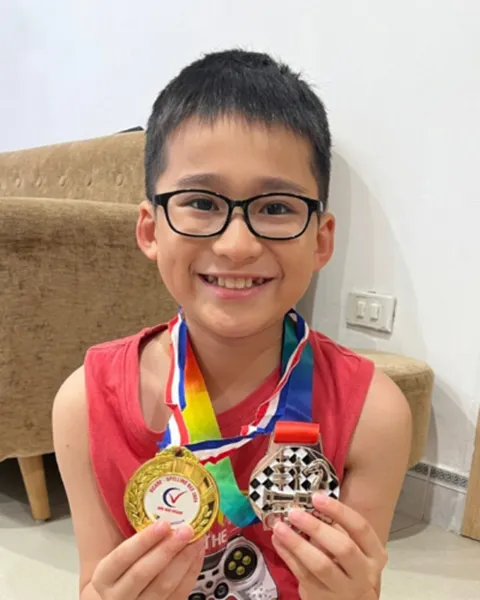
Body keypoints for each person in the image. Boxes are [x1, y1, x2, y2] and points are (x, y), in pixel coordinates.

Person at [53, 49, 412, 600]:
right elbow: (94, 584)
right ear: (150, 230)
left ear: (320, 240)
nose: (237, 245)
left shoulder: (373, 413)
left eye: (277, 207)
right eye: (201, 202)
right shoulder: (86, 404)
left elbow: (360, 583)